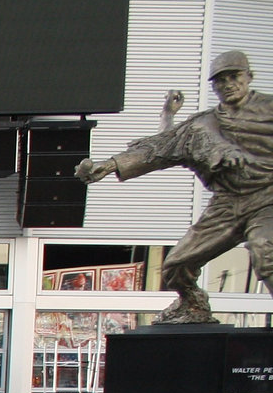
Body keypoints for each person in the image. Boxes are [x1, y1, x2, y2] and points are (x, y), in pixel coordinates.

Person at [77, 50, 273, 323]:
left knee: (266, 251)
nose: (228, 84)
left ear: (249, 77)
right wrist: (107, 165)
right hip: (227, 204)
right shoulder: (202, 125)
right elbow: (160, 148)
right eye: (220, 80)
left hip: (267, 200)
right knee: (176, 265)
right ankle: (193, 306)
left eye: (234, 76)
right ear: (213, 87)